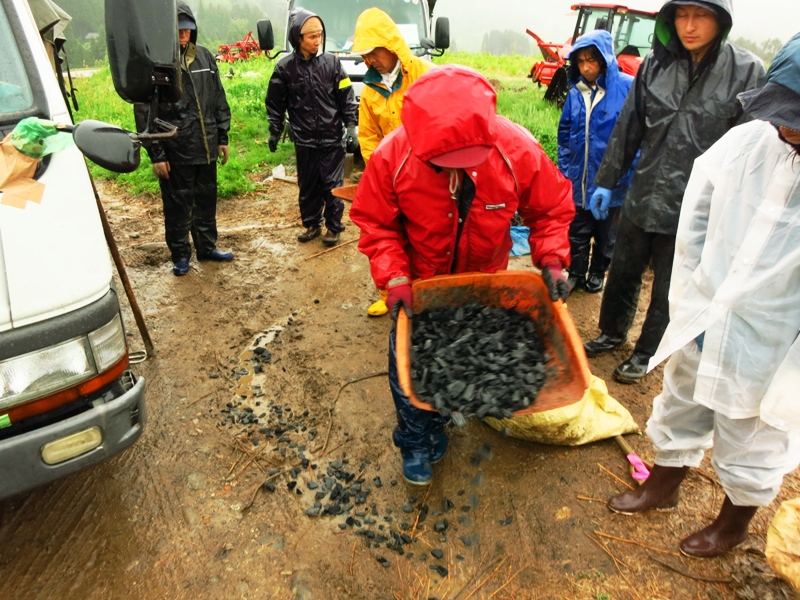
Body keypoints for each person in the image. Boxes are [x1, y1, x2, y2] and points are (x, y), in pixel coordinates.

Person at [606, 32, 800, 558]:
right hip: (710, 306)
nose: (786, 127)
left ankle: (733, 523)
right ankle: (664, 484)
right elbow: (697, 212)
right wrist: (694, 291)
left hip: (777, 333)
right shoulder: (752, 141)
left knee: (753, 428)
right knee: (685, 396)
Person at [350, 65, 574, 485]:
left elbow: (551, 208)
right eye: (443, 163)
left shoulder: (517, 150)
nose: (455, 170)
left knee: (464, 355)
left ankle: (448, 405)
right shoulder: (392, 158)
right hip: (420, 284)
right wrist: (394, 278)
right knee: (409, 367)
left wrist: (553, 259)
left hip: (483, 282)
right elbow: (375, 223)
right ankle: (416, 440)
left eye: (466, 160)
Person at [583, 0, 765, 383]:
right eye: (682, 15)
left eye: (701, 16)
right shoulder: (656, 64)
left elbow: (750, 149)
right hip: (645, 187)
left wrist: (735, 210)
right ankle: (612, 332)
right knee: (624, 269)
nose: (690, 26)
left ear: (721, 21)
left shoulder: (746, 72)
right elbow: (629, 125)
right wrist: (606, 180)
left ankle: (648, 352)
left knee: (671, 282)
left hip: (697, 202)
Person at [134, 2, 233, 277]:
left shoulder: (205, 58)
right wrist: (157, 154)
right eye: (178, 30)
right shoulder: (156, 63)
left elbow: (218, 99)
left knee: (205, 201)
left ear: (193, 31)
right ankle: (180, 255)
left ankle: (207, 248)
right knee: (178, 207)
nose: (183, 35)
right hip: (176, 152)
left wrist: (222, 137)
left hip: (206, 147)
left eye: (187, 30)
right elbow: (144, 112)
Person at [351, 7, 434, 317]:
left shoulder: (426, 75)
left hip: (429, 173)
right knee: (386, 234)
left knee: (425, 237)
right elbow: (368, 136)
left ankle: (428, 291)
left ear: (391, 44)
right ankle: (388, 292)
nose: (369, 60)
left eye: (373, 52)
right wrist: (380, 174)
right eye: (365, 54)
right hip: (392, 177)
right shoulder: (370, 90)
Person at [265, 8, 358, 247]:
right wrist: (274, 131)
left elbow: (346, 96)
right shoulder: (284, 69)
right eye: (312, 37)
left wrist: (350, 127)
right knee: (308, 185)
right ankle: (312, 224)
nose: (317, 41)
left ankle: (334, 227)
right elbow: (275, 104)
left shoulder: (333, 64)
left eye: (319, 36)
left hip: (331, 139)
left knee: (333, 185)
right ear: (298, 38)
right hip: (305, 141)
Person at [557, 29, 635, 295]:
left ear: (605, 60)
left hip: (610, 181)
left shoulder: (626, 88)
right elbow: (564, 135)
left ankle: (598, 271)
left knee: (605, 233)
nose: (586, 67)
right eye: (580, 61)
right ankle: (576, 272)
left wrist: (622, 178)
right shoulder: (575, 93)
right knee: (577, 230)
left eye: (592, 60)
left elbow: (635, 138)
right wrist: (566, 171)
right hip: (579, 178)